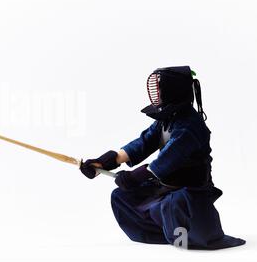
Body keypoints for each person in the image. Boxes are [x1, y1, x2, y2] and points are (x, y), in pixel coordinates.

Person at [80, 66, 245, 250]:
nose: (156, 92)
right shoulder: (166, 120)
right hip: (165, 185)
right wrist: (104, 162)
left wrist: (134, 177)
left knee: (172, 205)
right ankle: (163, 233)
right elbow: (142, 144)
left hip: (190, 190)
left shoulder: (191, 126)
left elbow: (166, 161)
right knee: (121, 197)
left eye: (160, 87)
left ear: (173, 89)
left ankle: (180, 234)